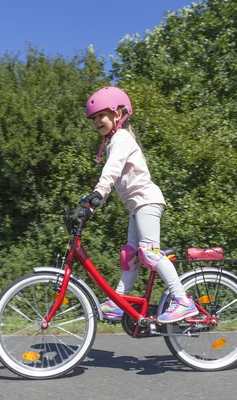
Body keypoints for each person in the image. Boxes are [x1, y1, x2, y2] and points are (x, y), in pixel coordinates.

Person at [81, 86, 198, 324]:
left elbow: (110, 173)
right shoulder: (114, 141)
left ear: (118, 113)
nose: (97, 121)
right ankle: (119, 301)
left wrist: (97, 195)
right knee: (130, 255)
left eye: (101, 115)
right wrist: (90, 204)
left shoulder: (122, 138)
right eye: (93, 118)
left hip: (147, 201)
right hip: (137, 207)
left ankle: (182, 300)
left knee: (149, 253)